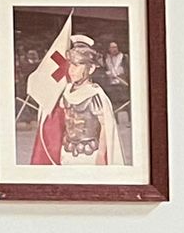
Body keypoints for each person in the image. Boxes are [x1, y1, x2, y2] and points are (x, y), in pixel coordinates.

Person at [30, 35, 123, 166]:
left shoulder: (94, 94)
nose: (71, 70)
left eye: (77, 66)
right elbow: (54, 115)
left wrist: (101, 155)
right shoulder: (66, 92)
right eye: (70, 65)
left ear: (91, 69)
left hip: (89, 154)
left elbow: (105, 126)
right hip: (66, 151)